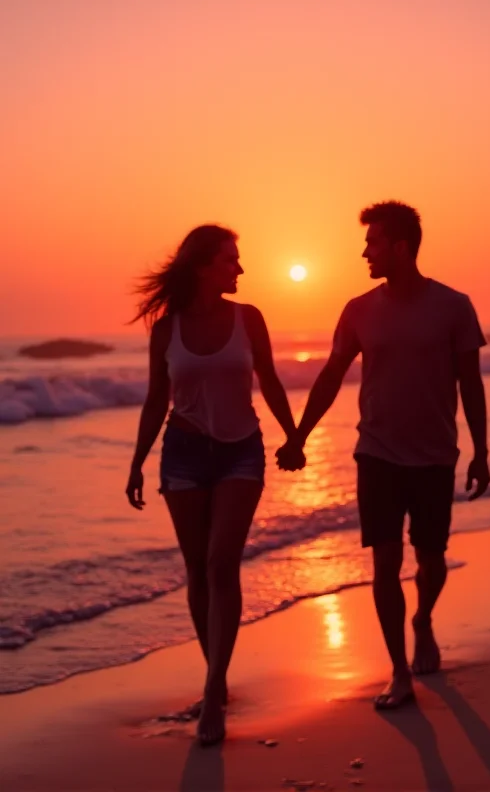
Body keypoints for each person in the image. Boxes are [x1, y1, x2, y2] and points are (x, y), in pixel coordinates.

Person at [277, 201, 490, 709]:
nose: (364, 252)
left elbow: (471, 384)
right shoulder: (358, 310)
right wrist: (300, 435)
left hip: (436, 455)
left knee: (432, 558)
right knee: (385, 563)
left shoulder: (454, 306)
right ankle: (398, 671)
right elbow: (331, 375)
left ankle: (423, 619)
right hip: (376, 453)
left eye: (373, 243)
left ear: (401, 247)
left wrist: (481, 452)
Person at [125, 224, 304, 746]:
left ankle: (211, 692)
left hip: (240, 451)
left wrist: (294, 437)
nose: (240, 269)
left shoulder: (249, 319)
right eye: (230, 260)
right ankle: (217, 678)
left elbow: (269, 379)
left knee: (221, 562)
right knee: (197, 570)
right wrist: (137, 461)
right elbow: (157, 400)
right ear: (203, 266)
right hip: (181, 454)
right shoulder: (167, 328)